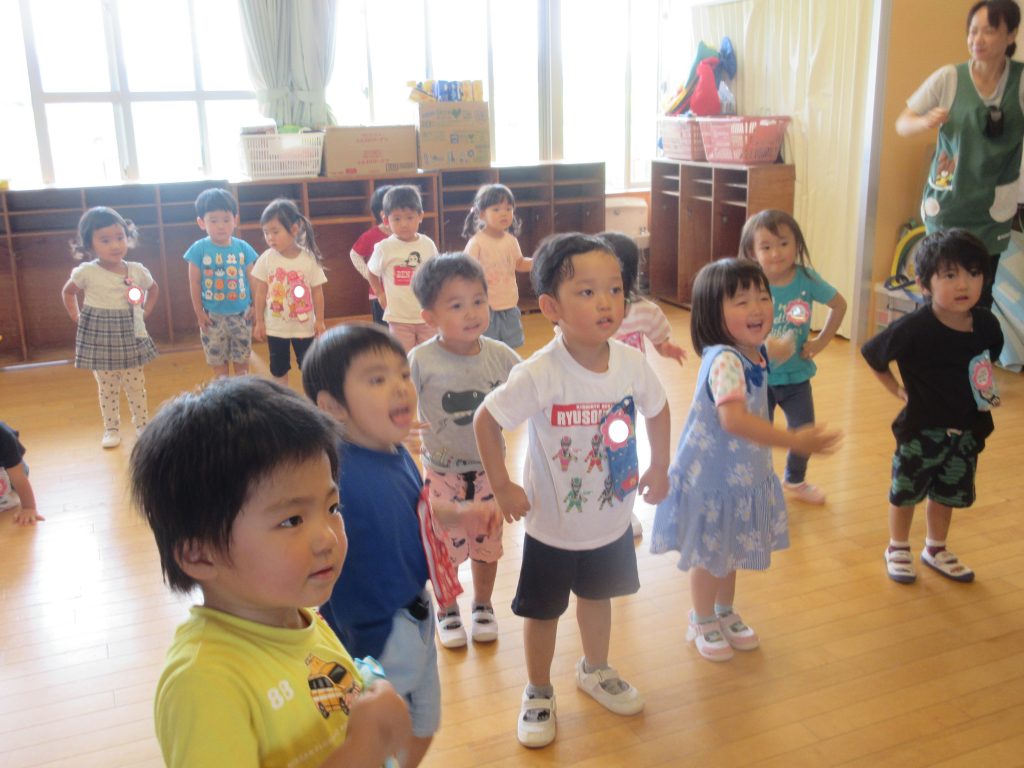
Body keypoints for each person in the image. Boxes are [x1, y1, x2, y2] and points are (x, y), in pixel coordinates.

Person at [129, 377, 411, 767]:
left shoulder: (299, 615)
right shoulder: (204, 683)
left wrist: (370, 685)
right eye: (292, 520)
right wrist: (364, 745)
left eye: (332, 507)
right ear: (200, 554)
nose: (327, 537)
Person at [474, 233, 672, 749]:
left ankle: (595, 668)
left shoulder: (630, 364)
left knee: (598, 597)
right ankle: (538, 690)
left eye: (615, 289)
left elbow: (659, 407)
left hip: (610, 520)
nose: (606, 302)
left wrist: (661, 467)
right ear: (550, 307)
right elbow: (486, 419)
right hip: (551, 528)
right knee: (542, 612)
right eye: (587, 292)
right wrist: (502, 486)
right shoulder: (540, 373)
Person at [650, 259, 840, 663]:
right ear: (712, 314)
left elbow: (777, 349)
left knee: (730, 547)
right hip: (713, 476)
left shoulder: (752, 352)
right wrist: (793, 439)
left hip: (739, 475)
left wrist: (794, 335)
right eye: (741, 301)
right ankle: (700, 617)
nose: (757, 308)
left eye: (763, 297)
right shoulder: (726, 361)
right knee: (709, 554)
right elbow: (732, 419)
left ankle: (723, 611)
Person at [303, 324, 452, 768]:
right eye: (376, 379)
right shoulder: (333, 476)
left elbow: (416, 511)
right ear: (332, 407)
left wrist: (459, 514)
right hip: (377, 633)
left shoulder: (394, 449)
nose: (400, 388)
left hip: (417, 612)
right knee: (374, 731)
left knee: (423, 721)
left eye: (403, 374)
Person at [862, 229, 1003, 585]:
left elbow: (986, 361)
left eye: (974, 273)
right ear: (926, 285)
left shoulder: (986, 323)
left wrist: (984, 394)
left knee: (948, 490)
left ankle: (936, 547)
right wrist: (896, 390)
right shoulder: (915, 328)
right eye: (950, 275)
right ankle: (897, 546)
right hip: (922, 428)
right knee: (906, 488)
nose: (964, 284)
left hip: (967, 429)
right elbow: (873, 354)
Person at [408, 254, 520, 649]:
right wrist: (398, 424)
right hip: (440, 471)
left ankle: (483, 604)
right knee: (446, 544)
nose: (471, 312)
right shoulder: (421, 359)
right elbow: (400, 398)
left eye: (478, 300)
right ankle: (448, 607)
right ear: (430, 317)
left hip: (489, 470)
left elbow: (530, 389)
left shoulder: (499, 355)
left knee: (486, 540)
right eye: (456, 305)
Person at [895, 0, 1023, 309]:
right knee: (938, 295)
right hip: (948, 205)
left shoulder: (1020, 82)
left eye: (989, 31)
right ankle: (932, 358)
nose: (977, 40)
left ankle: (974, 359)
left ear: (1011, 35)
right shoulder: (949, 78)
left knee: (980, 297)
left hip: (992, 209)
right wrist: (924, 121)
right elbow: (902, 123)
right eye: (972, 31)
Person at [738, 210, 848, 505]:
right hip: (759, 378)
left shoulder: (807, 279)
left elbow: (839, 305)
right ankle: (756, 485)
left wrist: (821, 341)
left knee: (804, 431)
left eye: (783, 243)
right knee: (759, 436)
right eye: (766, 247)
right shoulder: (750, 282)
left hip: (798, 377)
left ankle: (795, 480)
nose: (776, 253)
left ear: (797, 244)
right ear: (752, 252)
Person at [599, 230, 687, 537]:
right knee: (593, 454)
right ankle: (594, 503)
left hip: (625, 401)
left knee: (621, 452)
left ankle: (624, 511)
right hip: (589, 398)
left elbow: (659, 336)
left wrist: (667, 348)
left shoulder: (643, 310)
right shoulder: (586, 311)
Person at [60, 207, 159, 449]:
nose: (115, 245)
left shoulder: (136, 269)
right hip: (100, 339)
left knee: (136, 383)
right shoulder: (87, 272)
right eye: (105, 240)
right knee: (107, 387)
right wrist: (76, 315)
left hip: (130, 336)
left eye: (120, 238)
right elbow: (68, 292)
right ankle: (111, 427)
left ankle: (142, 424)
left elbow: (153, 288)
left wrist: (145, 311)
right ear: (89, 244)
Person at [251, 198, 328, 386]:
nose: (270, 238)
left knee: (309, 366)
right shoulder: (266, 259)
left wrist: (320, 320)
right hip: (276, 327)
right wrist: (259, 321)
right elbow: (261, 292)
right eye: (266, 232)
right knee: (278, 368)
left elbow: (317, 292)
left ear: (294, 229)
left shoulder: (308, 259)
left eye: (275, 232)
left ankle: (311, 402)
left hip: (304, 327)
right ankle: (282, 402)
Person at [183, 188, 259, 378]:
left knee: (242, 364)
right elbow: (194, 282)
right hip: (212, 317)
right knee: (219, 367)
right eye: (213, 220)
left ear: (235, 219)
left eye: (226, 220)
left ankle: (241, 399)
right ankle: (223, 401)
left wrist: (257, 306)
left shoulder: (243, 248)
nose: (221, 226)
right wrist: (199, 312)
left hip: (242, 315)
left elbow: (253, 279)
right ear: (201, 222)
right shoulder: (198, 250)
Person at [368, 186, 439, 352]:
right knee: (402, 355)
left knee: (429, 354)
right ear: (386, 220)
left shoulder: (427, 244)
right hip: (398, 316)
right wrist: (379, 293)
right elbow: (371, 272)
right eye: (397, 219)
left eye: (410, 217)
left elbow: (436, 273)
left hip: (426, 314)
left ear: (420, 216)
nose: (404, 224)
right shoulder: (384, 247)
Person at [462, 183, 532, 348]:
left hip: (509, 305)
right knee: (488, 347)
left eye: (508, 209)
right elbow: (465, 270)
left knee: (512, 347)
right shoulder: (477, 242)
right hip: (486, 308)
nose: (504, 214)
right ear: (481, 214)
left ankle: (510, 374)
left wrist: (539, 261)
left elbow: (519, 263)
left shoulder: (511, 240)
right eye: (496, 209)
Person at [349, 185, 392, 326]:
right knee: (383, 333)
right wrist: (368, 274)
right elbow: (355, 254)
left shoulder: (406, 236)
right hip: (379, 295)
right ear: (383, 215)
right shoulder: (372, 236)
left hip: (402, 294)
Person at [0, 421, 43, 525]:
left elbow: (18, 478)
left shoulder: (5, 438)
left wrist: (28, 508)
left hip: (10, 470)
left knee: (16, 478)